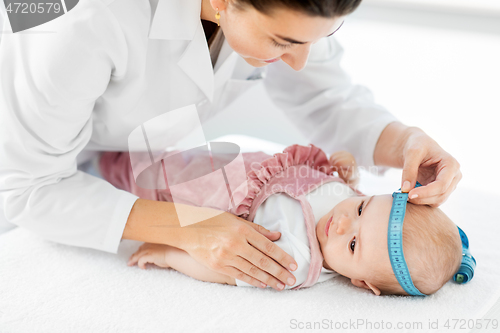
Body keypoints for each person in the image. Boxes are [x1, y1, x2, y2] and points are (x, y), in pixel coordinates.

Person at [0, 0, 462, 292]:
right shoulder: (81, 16)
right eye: (283, 41)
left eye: (321, 36)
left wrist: (406, 140)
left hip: (117, 153)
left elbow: (326, 94)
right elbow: (26, 186)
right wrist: (185, 230)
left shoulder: (282, 9)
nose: (299, 61)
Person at [103, 145, 462, 295]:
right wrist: (343, 173)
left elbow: (227, 268)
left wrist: (171, 255)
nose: (341, 223)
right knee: (152, 152)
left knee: (133, 177)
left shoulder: (297, 261)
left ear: (361, 282)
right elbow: (339, 190)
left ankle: (100, 165)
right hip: (220, 164)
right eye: (362, 208)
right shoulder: (349, 202)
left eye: (353, 245)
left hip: (197, 196)